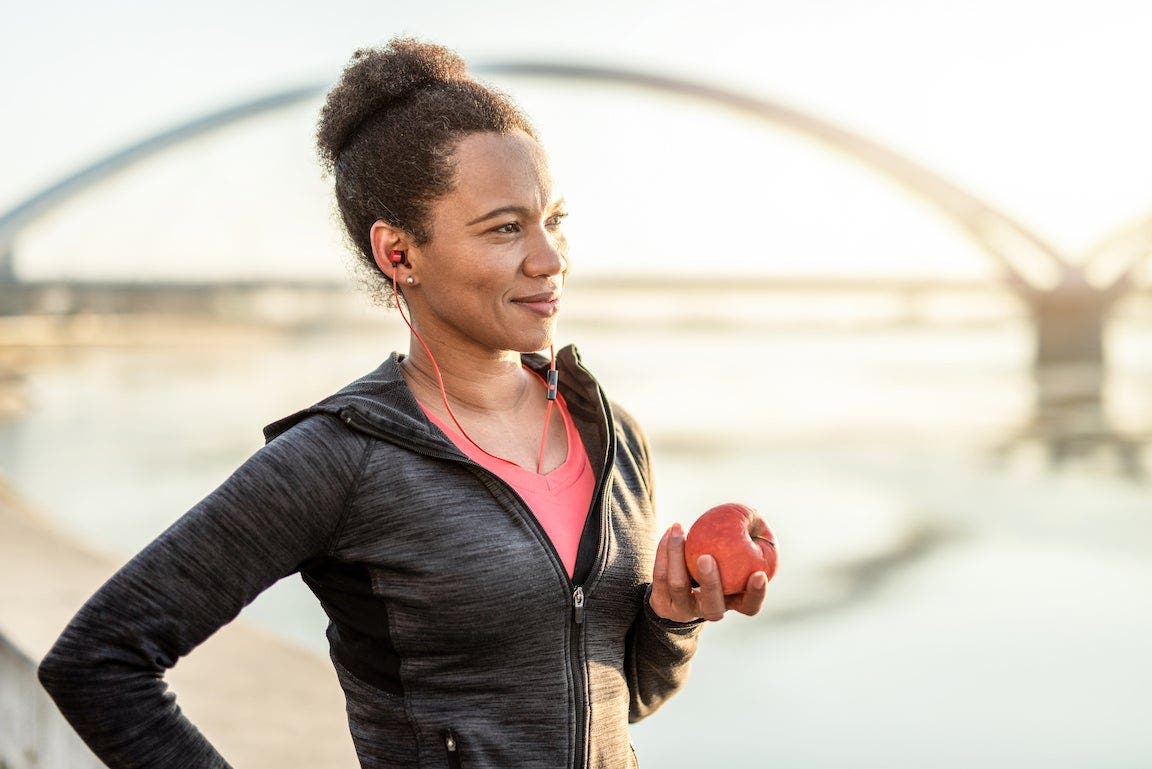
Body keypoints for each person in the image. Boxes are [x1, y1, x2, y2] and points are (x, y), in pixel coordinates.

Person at [36, 37, 769, 769]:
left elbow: (615, 695)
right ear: (399, 253)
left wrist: (672, 620)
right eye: (506, 227)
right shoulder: (342, 457)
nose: (550, 258)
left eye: (555, 219)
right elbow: (99, 660)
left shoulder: (612, 436)